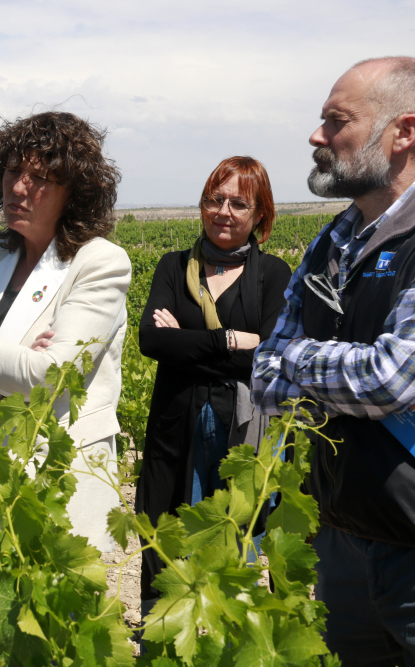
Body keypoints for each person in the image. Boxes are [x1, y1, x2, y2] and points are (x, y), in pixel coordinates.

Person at [252, 56, 415, 662]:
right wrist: (316, 362)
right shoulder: (332, 240)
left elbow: (389, 379)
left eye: (336, 121)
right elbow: (264, 374)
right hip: (339, 533)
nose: (316, 137)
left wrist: (299, 359)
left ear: (404, 132)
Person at [0, 111, 129, 552]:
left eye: (39, 178)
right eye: (13, 171)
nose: (18, 187)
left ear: (74, 192)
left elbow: (49, 378)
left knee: (51, 614)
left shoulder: (99, 263)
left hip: (54, 478)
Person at [135, 156, 291, 618]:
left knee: (236, 529)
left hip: (242, 429)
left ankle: (232, 628)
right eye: (214, 199)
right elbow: (150, 340)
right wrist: (227, 340)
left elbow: (267, 355)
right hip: (176, 422)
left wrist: (184, 343)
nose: (223, 211)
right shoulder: (172, 266)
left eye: (238, 203)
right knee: (164, 528)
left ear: (260, 214)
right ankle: (158, 630)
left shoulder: (273, 275)